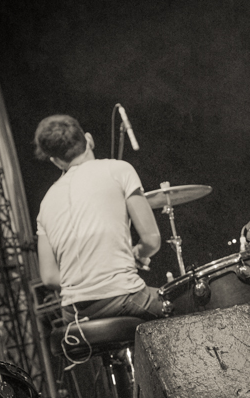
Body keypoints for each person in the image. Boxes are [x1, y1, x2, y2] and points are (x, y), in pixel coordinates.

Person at [34, 114, 166, 322]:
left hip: (73, 313)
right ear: (89, 139)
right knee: (187, 308)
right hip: (124, 297)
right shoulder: (119, 169)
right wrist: (138, 253)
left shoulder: (46, 202)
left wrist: (86, 284)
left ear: (56, 161)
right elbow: (151, 240)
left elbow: (49, 276)